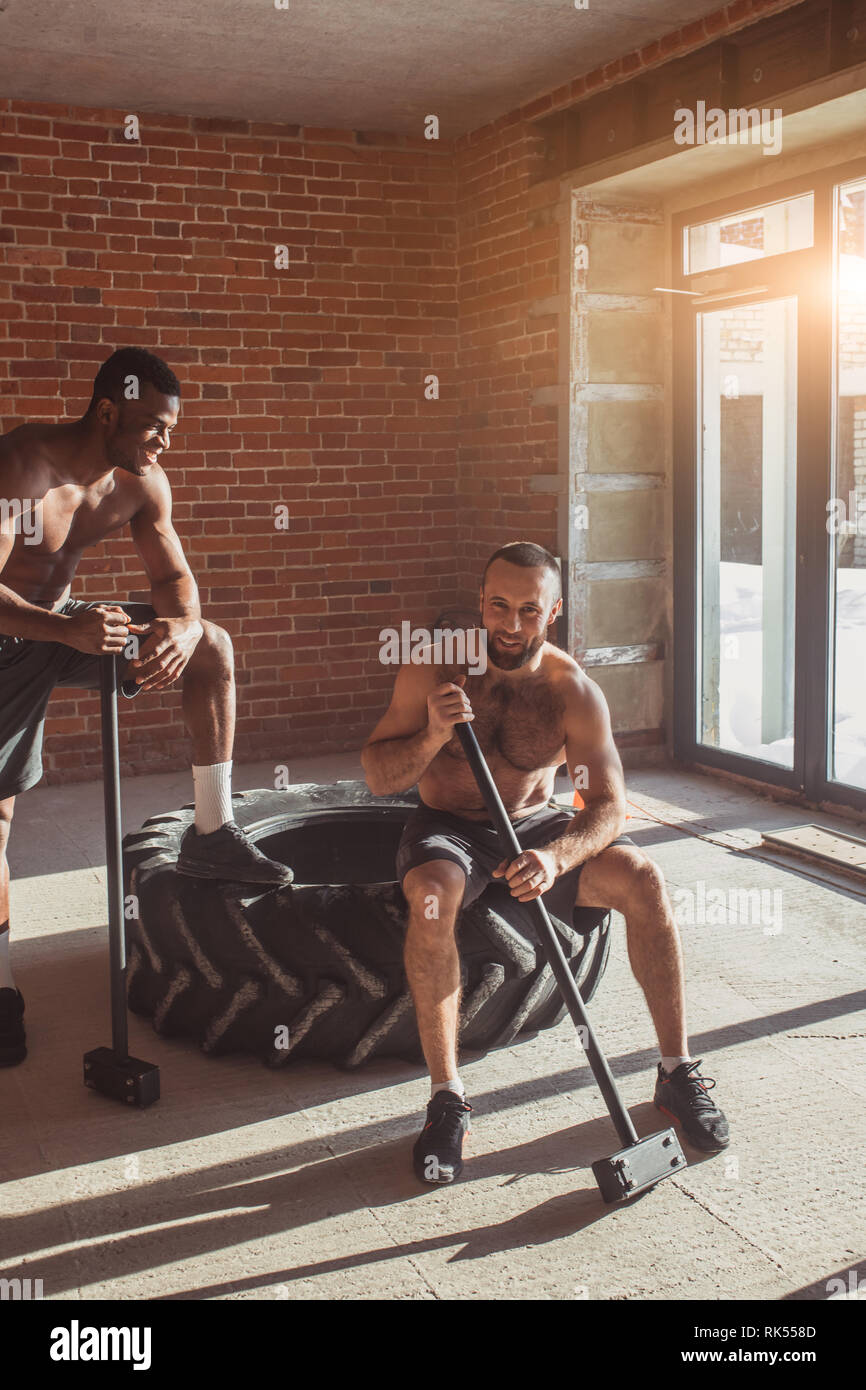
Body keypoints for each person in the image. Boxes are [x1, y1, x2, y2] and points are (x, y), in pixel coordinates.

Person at [362, 541, 729, 1184]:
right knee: (433, 896)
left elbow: (609, 806)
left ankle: (674, 1072)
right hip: (450, 827)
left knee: (643, 879)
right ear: (480, 602)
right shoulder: (432, 673)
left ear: (552, 611)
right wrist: (432, 736)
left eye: (528, 610)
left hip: (534, 824)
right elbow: (377, 775)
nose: (510, 624)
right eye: (498, 605)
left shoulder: (572, 693)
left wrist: (556, 858)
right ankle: (447, 1101)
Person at [0, 347, 293, 1067]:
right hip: (15, 632)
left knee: (214, 648)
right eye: (156, 426)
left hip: (62, 625)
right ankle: (2, 988)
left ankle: (213, 829)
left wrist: (183, 626)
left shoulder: (141, 483)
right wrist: (66, 628)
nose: (166, 441)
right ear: (108, 411)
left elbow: (175, 579)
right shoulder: (21, 466)